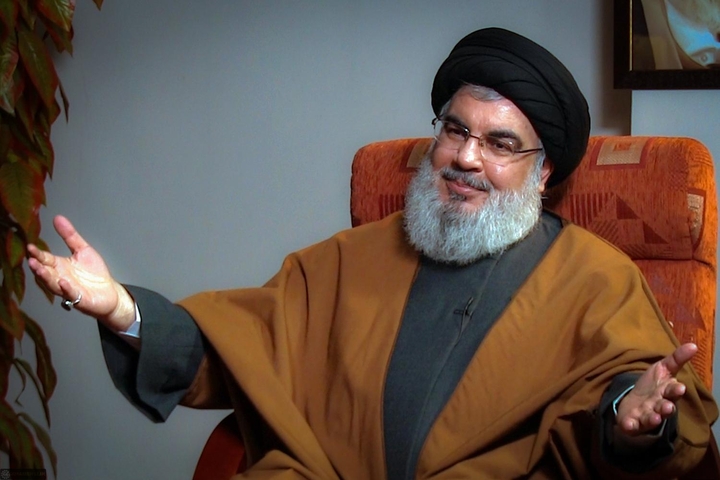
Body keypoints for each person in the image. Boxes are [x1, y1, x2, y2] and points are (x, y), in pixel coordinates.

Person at [27, 27, 718, 479]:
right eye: (455, 130)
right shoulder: (347, 258)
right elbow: (242, 345)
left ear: (542, 174)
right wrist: (122, 310)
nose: (465, 158)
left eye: (500, 144)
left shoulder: (595, 278)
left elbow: (632, 395)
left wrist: (632, 421)